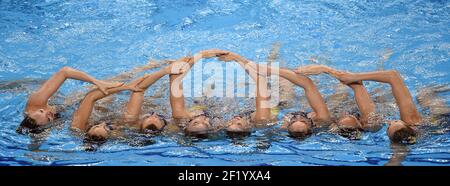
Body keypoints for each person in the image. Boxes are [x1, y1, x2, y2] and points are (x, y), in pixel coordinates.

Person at [295, 65, 422, 143]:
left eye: (388, 127)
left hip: (351, 101)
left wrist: (325, 69)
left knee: (340, 93)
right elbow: (392, 75)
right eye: (394, 122)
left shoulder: (324, 120)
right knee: (425, 95)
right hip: (372, 101)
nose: (389, 122)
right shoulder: (411, 120)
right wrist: (325, 69)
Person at [217, 51, 331, 138]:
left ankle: (274, 54)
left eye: (294, 121)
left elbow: (261, 80)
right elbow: (261, 78)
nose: (298, 117)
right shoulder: (321, 120)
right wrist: (238, 59)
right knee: (285, 83)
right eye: (302, 121)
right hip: (281, 104)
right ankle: (318, 58)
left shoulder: (221, 123)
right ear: (311, 126)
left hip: (271, 106)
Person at [71, 62, 188, 141]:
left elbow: (90, 97)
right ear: (113, 136)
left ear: (87, 131)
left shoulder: (78, 127)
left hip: (92, 102)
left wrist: (125, 87)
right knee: (151, 99)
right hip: (114, 109)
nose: (103, 123)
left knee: (114, 85)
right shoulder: (124, 132)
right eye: (108, 128)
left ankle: (146, 67)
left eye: (96, 126)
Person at [18, 67, 123, 133]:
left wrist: (97, 82)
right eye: (49, 118)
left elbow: (65, 72)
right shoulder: (44, 130)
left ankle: (135, 72)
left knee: (103, 86)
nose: (48, 112)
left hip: (63, 102)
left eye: (42, 111)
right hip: (68, 111)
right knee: (103, 107)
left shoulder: (36, 102)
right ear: (46, 126)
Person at [168, 50, 231, 138]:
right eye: (206, 124)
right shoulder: (220, 126)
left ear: (186, 126)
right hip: (215, 110)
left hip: (195, 106)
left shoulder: (180, 116)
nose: (203, 119)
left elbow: (175, 74)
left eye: (196, 122)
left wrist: (201, 55)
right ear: (212, 129)